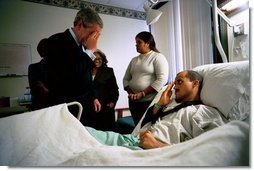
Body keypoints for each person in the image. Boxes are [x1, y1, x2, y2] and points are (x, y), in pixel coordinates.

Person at [86, 70, 226, 150]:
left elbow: (213, 152)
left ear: (195, 84)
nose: (174, 86)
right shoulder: (169, 105)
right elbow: (146, 121)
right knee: (83, 131)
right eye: (175, 81)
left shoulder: (202, 112)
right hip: (131, 139)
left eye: (180, 81)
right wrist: (159, 104)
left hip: (149, 151)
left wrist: (157, 146)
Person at [43, 8, 103, 126]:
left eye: (97, 35)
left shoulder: (82, 47)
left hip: (84, 107)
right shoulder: (56, 41)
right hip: (66, 109)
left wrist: (93, 97)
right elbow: (70, 77)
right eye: (92, 33)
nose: (94, 39)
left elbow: (87, 77)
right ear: (80, 25)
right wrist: (91, 51)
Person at [123, 31, 169, 126]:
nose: (136, 45)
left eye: (139, 42)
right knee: (137, 127)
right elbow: (125, 79)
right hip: (134, 102)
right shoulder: (134, 60)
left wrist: (142, 94)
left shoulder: (158, 57)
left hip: (149, 102)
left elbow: (162, 79)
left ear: (148, 43)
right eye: (136, 42)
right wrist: (132, 94)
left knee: (148, 127)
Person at [91, 49, 119, 131]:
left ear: (103, 60)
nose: (97, 60)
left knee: (105, 132)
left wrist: (113, 102)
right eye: (94, 58)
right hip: (89, 106)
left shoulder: (108, 71)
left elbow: (115, 89)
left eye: (99, 58)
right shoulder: (86, 70)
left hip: (104, 107)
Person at [28, 38, 49, 110]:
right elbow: (35, 91)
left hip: (56, 107)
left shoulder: (60, 68)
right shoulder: (34, 68)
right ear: (42, 53)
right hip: (40, 107)